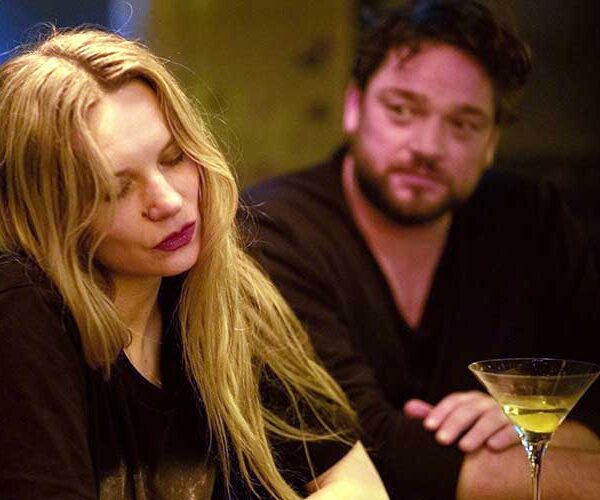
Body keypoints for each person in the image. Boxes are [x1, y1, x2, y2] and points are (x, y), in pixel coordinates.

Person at [0, 27, 389, 500]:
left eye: (173, 157)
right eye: (116, 188)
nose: (166, 200)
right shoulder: (22, 310)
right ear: (48, 210)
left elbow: (357, 483)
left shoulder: (225, 292)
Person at [242, 1, 600, 498]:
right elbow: (358, 446)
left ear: (492, 141)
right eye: (402, 110)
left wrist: (536, 424)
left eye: (464, 123)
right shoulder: (273, 228)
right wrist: (546, 440)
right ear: (353, 106)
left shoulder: (533, 221)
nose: (428, 146)